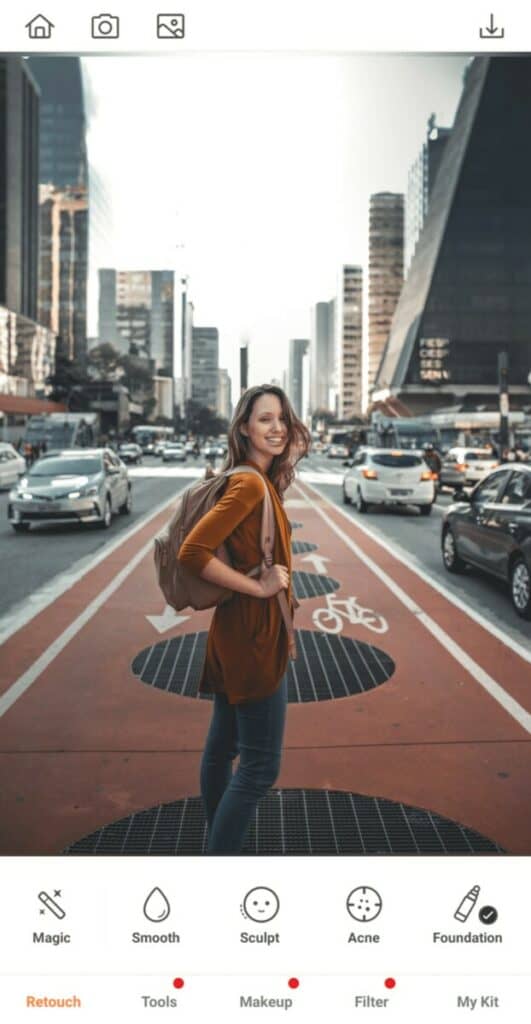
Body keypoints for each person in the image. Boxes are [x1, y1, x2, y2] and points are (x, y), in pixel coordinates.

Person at [177, 384, 311, 854]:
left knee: (221, 752)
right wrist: (258, 586)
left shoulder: (256, 478)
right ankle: (221, 859)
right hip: (255, 638)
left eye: (282, 419)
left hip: (235, 633)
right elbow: (193, 551)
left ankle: (217, 839)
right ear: (244, 428)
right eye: (264, 420)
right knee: (258, 769)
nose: (276, 428)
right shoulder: (250, 483)